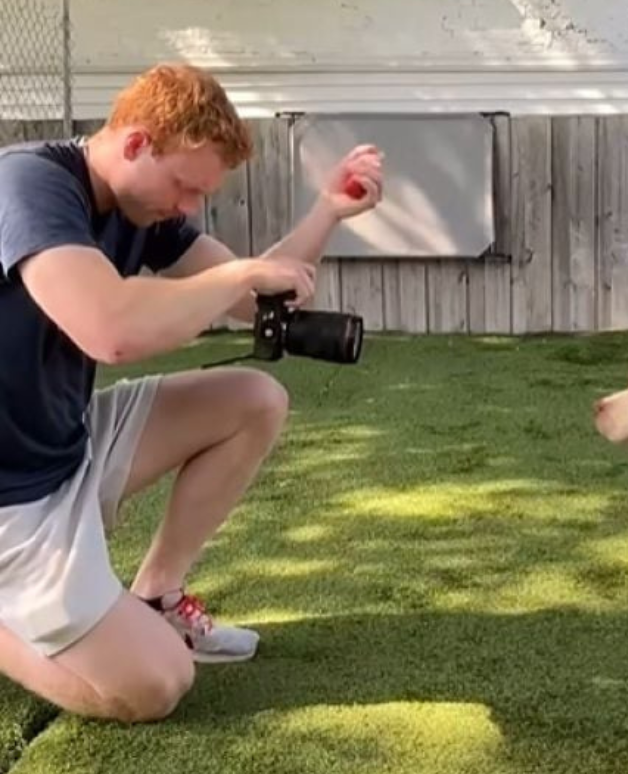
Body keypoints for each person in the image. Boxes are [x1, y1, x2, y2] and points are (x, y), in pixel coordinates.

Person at [0, 64, 383, 722]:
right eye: (184, 187)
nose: (188, 207)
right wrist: (239, 271)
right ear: (137, 142)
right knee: (156, 687)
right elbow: (109, 330)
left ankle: (158, 595)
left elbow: (252, 297)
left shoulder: (138, 205)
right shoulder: (26, 183)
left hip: (65, 442)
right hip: (12, 496)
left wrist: (327, 212)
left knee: (254, 400)